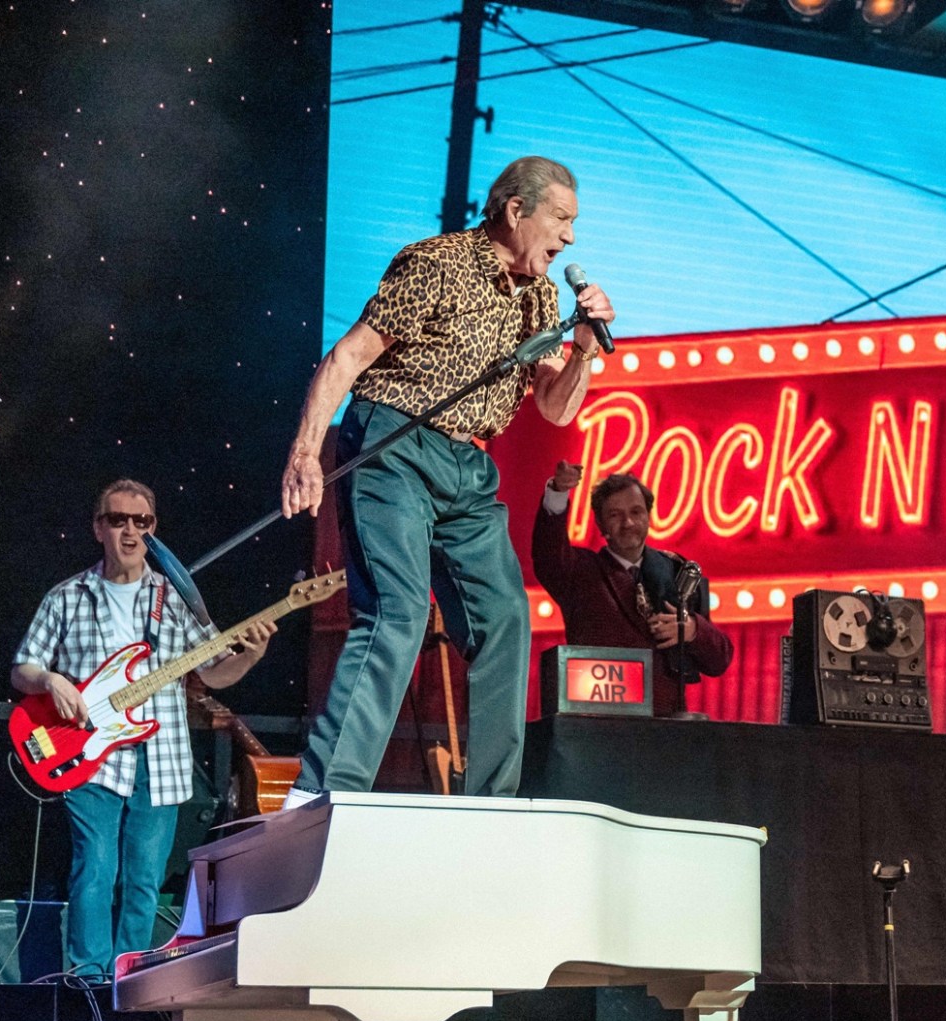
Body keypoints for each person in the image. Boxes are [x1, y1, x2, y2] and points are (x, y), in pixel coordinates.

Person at [278, 156, 614, 803]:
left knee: (505, 617)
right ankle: (320, 793)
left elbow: (556, 406)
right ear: (515, 210)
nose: (570, 237)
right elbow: (347, 356)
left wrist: (584, 351)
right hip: (394, 442)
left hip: (466, 466)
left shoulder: (541, 296)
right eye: (561, 219)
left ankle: (490, 803)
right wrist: (305, 452)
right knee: (398, 613)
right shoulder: (436, 263)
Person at [11, 480, 273, 978]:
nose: (130, 531)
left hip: (162, 758)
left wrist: (253, 654)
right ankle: (88, 979)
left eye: (142, 522)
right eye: (118, 520)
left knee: (144, 881)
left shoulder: (175, 599)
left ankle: (128, 978)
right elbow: (22, 668)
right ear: (98, 528)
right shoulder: (67, 597)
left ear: (153, 530)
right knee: (94, 870)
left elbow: (216, 671)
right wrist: (50, 680)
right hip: (88, 756)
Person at [532, 461, 733, 716]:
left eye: (636, 512)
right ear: (600, 524)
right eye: (615, 515)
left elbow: (719, 660)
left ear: (648, 516)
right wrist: (558, 493)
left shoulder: (677, 573)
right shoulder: (579, 571)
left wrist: (692, 630)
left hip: (666, 727)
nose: (628, 522)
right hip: (600, 725)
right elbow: (548, 554)